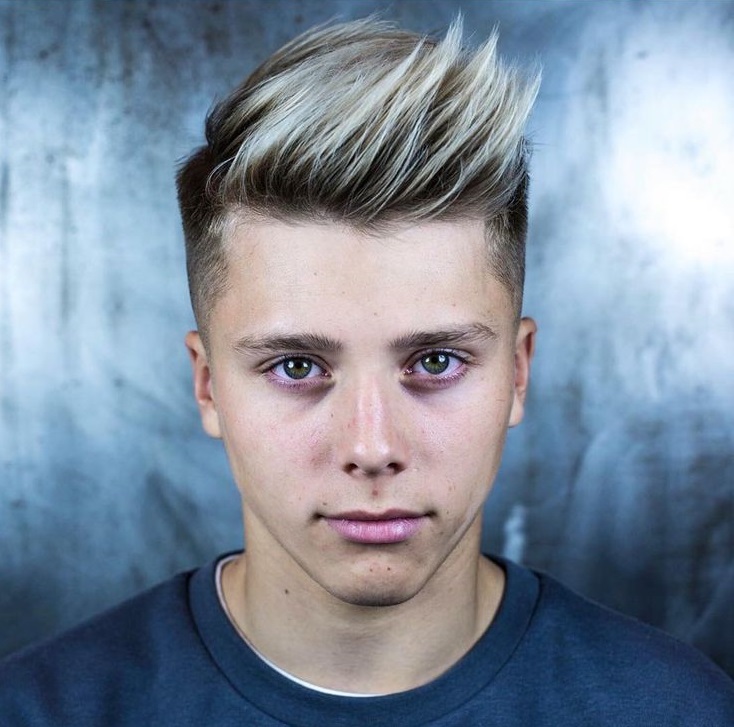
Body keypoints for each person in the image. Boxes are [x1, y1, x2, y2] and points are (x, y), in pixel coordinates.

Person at [1, 16, 732, 726]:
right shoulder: (38, 710)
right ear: (208, 385)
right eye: (296, 366)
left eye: (436, 361)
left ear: (517, 373)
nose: (372, 447)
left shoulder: (678, 710)